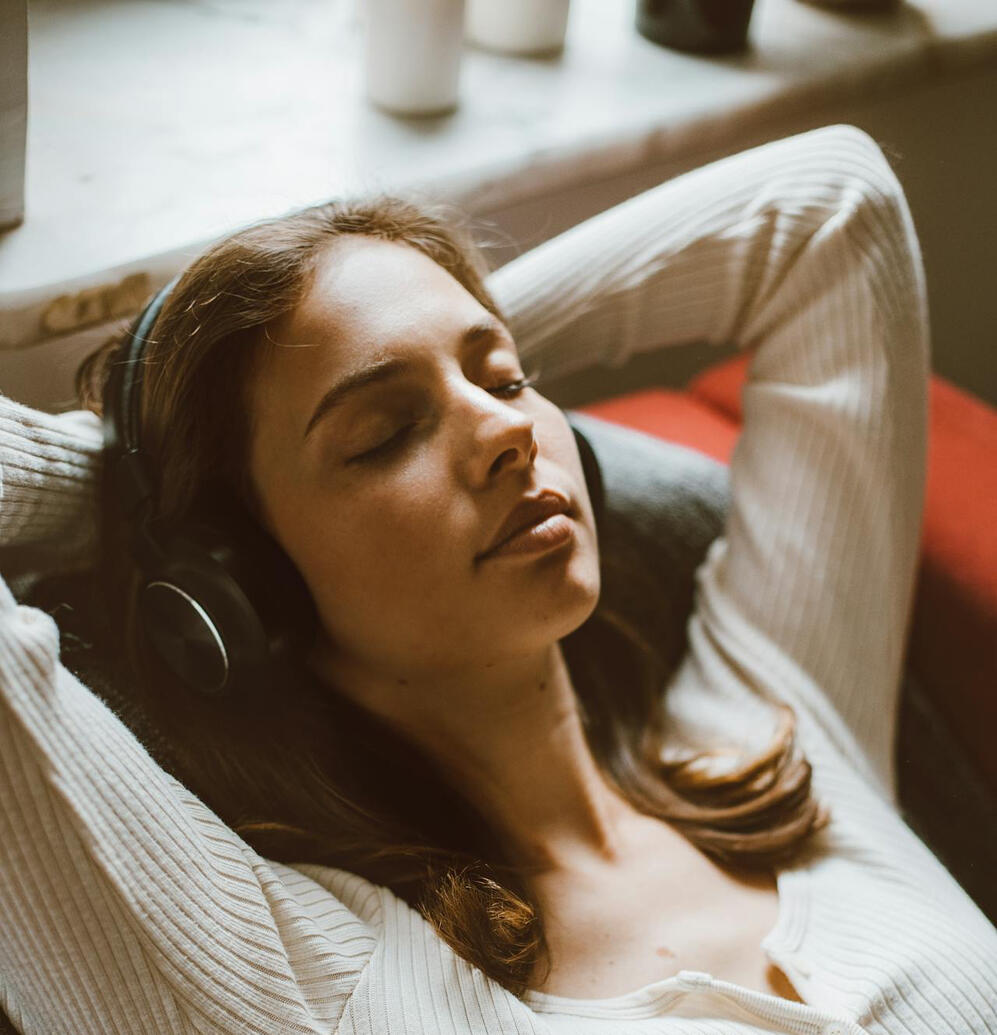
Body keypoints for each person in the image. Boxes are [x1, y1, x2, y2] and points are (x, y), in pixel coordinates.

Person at [1, 123, 995, 1035]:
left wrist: (403, 300)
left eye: (507, 377)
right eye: (385, 433)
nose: (509, 431)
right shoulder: (304, 980)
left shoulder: (770, 722)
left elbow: (830, 210)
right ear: (247, 581)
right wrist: (126, 489)